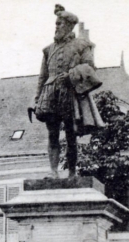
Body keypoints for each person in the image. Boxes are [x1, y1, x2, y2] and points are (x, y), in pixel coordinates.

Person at [32, 4, 105, 178]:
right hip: (50, 94)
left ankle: (72, 173)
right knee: (52, 134)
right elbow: (42, 76)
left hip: (70, 93)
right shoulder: (48, 49)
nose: (56, 27)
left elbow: (90, 67)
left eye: (59, 24)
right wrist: (35, 99)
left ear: (69, 26)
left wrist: (72, 75)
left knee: (71, 134)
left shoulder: (81, 45)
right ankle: (53, 171)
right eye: (56, 24)